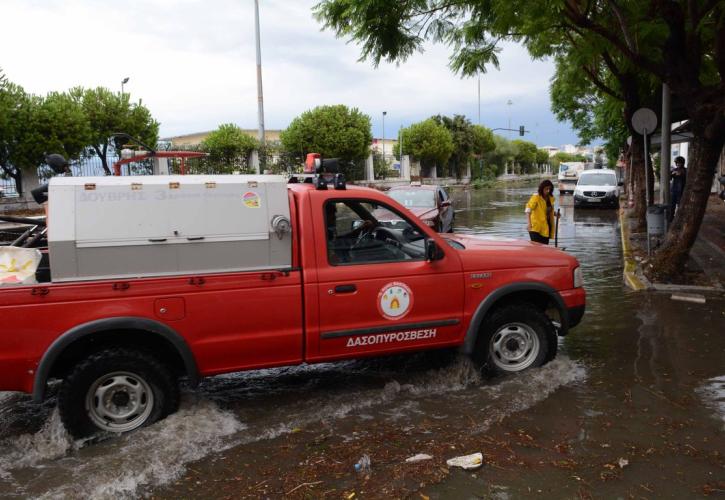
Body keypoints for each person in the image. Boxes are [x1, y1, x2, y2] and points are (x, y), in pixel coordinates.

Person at [525, 179, 557, 244]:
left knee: (545, 248)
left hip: (546, 227)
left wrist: (555, 214)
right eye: (546, 189)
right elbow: (528, 210)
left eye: (549, 189)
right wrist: (529, 224)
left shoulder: (551, 198)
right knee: (536, 248)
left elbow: (548, 211)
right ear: (542, 188)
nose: (548, 191)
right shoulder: (536, 197)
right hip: (535, 228)